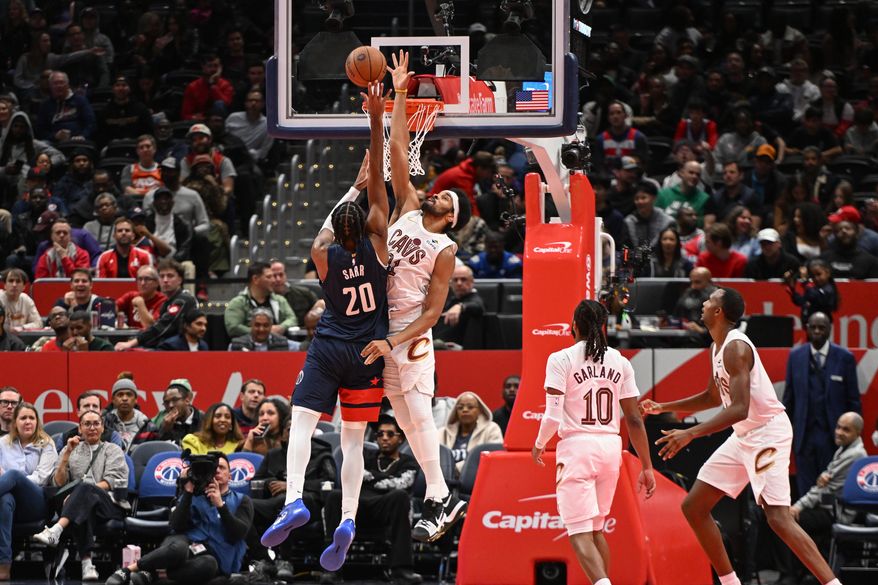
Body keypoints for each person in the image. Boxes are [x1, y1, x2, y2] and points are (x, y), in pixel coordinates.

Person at [261, 82, 392, 574]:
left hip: (330, 344)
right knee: (353, 441)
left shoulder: (323, 252)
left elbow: (327, 226)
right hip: (366, 353)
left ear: (339, 229)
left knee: (302, 424)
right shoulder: (380, 248)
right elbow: (374, 209)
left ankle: (294, 498)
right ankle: (349, 518)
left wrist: (354, 185)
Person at [641, 287, 843, 585]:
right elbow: (712, 397)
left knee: (778, 518)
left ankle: (832, 583)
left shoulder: (736, 347)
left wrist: (691, 433)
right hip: (744, 435)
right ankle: (730, 582)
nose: (704, 304)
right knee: (694, 507)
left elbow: (738, 408)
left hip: (766, 433)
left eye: (710, 301)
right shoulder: (717, 346)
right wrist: (664, 406)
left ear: (719, 312)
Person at [361, 53, 470, 543]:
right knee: (402, 418)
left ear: (451, 219)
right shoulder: (408, 208)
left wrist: (396, 340)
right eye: (441, 194)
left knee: (420, 413)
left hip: (409, 333)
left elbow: (432, 312)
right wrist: (400, 95)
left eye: (448, 200)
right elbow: (399, 155)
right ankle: (440, 494)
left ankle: (438, 495)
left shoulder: (444, 249)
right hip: (385, 328)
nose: (439, 195)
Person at [532, 299, 656, 585]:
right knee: (597, 529)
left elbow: (551, 416)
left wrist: (539, 443)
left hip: (578, 447)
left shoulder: (561, 359)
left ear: (573, 325)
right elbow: (635, 419)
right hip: (611, 447)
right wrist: (647, 467)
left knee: (578, 532)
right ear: (602, 326)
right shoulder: (620, 361)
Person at [105, 453, 253, 585]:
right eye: (214, 468)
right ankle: (128, 570)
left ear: (230, 476)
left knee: (209, 565)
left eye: (222, 467)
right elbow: (176, 525)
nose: (218, 471)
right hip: (182, 545)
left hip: (213, 557)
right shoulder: (194, 495)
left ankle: (152, 575)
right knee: (180, 548)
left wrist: (220, 505)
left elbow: (238, 534)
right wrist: (187, 492)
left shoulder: (242, 500)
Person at [322, 414, 423, 585]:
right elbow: (354, 474)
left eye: (390, 434)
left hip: (385, 507)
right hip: (358, 506)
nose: (384, 438)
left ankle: (401, 570)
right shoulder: (365, 454)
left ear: (401, 438)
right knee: (334, 496)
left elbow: (401, 484)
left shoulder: (409, 462)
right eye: (380, 434)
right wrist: (380, 479)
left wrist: (372, 478)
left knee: (400, 496)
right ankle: (332, 569)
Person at [32, 410, 128, 581]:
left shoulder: (112, 449)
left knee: (84, 491)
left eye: (96, 424)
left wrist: (80, 492)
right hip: (79, 507)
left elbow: (111, 480)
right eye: (87, 424)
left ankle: (56, 530)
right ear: (80, 429)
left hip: (109, 505)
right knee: (82, 507)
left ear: (102, 427)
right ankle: (87, 565)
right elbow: (58, 483)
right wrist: (67, 454)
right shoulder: (70, 450)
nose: (92, 428)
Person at [246, 419, 335, 582]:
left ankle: (285, 560)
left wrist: (291, 486)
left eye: (299, 428)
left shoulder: (323, 455)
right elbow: (257, 480)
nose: (294, 432)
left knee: (288, 504)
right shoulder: (273, 455)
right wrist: (270, 483)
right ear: (282, 435)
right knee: (245, 506)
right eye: (289, 429)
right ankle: (265, 559)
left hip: (310, 505)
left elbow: (329, 483)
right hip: (273, 503)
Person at [783, 312, 861, 496]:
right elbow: (789, 399)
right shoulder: (796, 357)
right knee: (805, 490)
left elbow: (853, 400)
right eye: (813, 327)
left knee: (832, 488)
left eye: (822, 327)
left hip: (833, 437)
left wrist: (854, 438)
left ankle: (830, 525)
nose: (817, 331)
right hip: (804, 437)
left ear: (830, 330)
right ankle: (805, 525)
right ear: (807, 329)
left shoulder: (844, 357)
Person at [785, 412, 867, 581]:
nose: (839, 432)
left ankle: (800, 576)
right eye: (838, 427)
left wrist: (798, 506)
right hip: (830, 508)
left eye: (846, 429)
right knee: (791, 521)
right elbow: (823, 485)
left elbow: (823, 488)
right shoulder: (844, 450)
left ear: (857, 433)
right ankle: (808, 574)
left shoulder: (855, 455)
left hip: (839, 514)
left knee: (789, 523)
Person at [0, 402, 58, 581]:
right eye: (23, 418)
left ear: (37, 421)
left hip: (37, 503)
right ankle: (4, 564)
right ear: (15, 422)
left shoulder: (46, 444)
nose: (27, 422)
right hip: (9, 502)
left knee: (13, 475)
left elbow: (41, 478)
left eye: (31, 418)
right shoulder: (2, 443)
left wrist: (16, 480)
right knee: (5, 501)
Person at [114, 259, 198, 350]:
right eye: (162, 276)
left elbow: (161, 327)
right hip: (167, 347)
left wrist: (131, 343)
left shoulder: (183, 299)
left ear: (180, 280)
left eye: (170, 276)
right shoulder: (168, 302)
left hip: (180, 351)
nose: (165, 280)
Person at [224, 261, 296, 338]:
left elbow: (292, 319)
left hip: (277, 344)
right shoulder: (238, 302)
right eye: (269, 277)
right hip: (247, 345)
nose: (274, 280)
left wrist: (281, 327)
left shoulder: (279, 300)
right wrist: (262, 332)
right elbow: (233, 328)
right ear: (255, 279)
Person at [440, 392, 503, 472]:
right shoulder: (443, 432)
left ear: (480, 410)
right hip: (446, 479)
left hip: (477, 478)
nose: (465, 410)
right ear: (455, 411)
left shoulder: (492, 429)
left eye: (470, 407)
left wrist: (458, 469)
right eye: (460, 407)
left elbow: (495, 457)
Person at [432, 265, 485, 347]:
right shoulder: (449, 300)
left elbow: (478, 307)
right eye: (455, 280)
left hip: (458, 350)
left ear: (472, 281)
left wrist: (460, 306)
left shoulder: (475, 298)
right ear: (450, 283)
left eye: (463, 279)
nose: (459, 283)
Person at [56, 391, 124, 452]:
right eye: (86, 406)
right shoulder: (64, 438)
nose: (91, 409)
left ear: (100, 412)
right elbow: (59, 465)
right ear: (78, 412)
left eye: (95, 406)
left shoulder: (113, 436)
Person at [103, 378, 156, 451]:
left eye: (129, 394)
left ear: (136, 399)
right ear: (113, 400)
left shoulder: (148, 427)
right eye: (120, 395)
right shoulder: (105, 423)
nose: (124, 398)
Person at [181, 53, 235, 121]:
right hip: (201, 120)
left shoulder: (226, 85)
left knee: (219, 104)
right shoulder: (192, 87)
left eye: (216, 66)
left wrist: (213, 86)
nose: (213, 69)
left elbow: (226, 105)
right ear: (203, 67)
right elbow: (186, 114)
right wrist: (196, 117)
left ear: (220, 68)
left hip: (220, 121)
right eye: (209, 66)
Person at [786, 259, 839, 324]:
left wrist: (805, 281)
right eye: (813, 276)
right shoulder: (813, 289)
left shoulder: (828, 289)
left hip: (822, 325)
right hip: (809, 324)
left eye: (819, 274)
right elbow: (802, 301)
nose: (816, 278)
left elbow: (815, 296)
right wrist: (792, 289)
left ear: (827, 273)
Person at [115, 265, 167, 330]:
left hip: (151, 338)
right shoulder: (131, 296)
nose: (142, 283)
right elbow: (113, 308)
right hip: (130, 336)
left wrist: (140, 303)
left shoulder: (163, 300)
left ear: (156, 283)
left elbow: (151, 326)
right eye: (140, 279)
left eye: (147, 279)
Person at [152, 379, 203, 444]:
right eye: (166, 402)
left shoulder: (204, 420)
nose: (170, 405)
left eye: (175, 400)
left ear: (188, 399)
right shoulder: (162, 422)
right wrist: (166, 430)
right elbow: (160, 449)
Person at [624, 182, 673, 248]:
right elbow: (626, 249)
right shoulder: (629, 222)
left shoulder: (667, 221)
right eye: (636, 198)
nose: (640, 202)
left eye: (643, 198)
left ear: (654, 198)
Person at [228, 307, 300, 351]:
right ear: (251, 325)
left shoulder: (284, 343)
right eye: (257, 325)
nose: (261, 329)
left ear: (271, 326)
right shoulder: (236, 345)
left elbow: (303, 348)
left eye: (265, 325)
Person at [0, 269, 41, 333]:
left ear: (24, 286)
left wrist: (22, 328)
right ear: (5, 285)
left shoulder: (26, 299)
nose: (14, 285)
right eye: (11, 281)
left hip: (22, 339)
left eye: (18, 281)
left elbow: (38, 323)